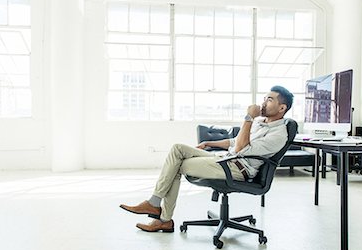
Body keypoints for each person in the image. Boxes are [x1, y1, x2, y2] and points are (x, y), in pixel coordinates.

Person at [120, 85, 294, 232]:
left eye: (270, 99)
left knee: (179, 165)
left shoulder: (279, 134)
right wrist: (209, 142)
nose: (263, 102)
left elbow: (241, 147)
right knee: (178, 149)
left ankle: (163, 216)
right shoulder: (260, 122)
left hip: (237, 169)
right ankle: (156, 205)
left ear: (282, 108)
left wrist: (248, 117)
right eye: (264, 98)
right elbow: (235, 141)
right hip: (226, 159)